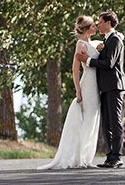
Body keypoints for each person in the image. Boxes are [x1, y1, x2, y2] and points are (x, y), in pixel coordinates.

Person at [37, 15, 101, 170]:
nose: (96, 27)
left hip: (97, 86)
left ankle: (87, 158)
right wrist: (78, 90)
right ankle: (79, 159)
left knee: (93, 121)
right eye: (93, 25)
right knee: (85, 121)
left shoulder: (95, 43)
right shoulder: (80, 44)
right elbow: (75, 69)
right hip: (88, 85)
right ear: (87, 28)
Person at [75, 10, 125, 168]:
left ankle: (117, 157)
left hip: (114, 86)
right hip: (104, 87)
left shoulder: (115, 40)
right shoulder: (107, 39)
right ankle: (110, 156)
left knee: (115, 122)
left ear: (109, 23)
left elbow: (109, 64)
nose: (98, 24)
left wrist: (88, 60)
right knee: (106, 123)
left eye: (101, 22)